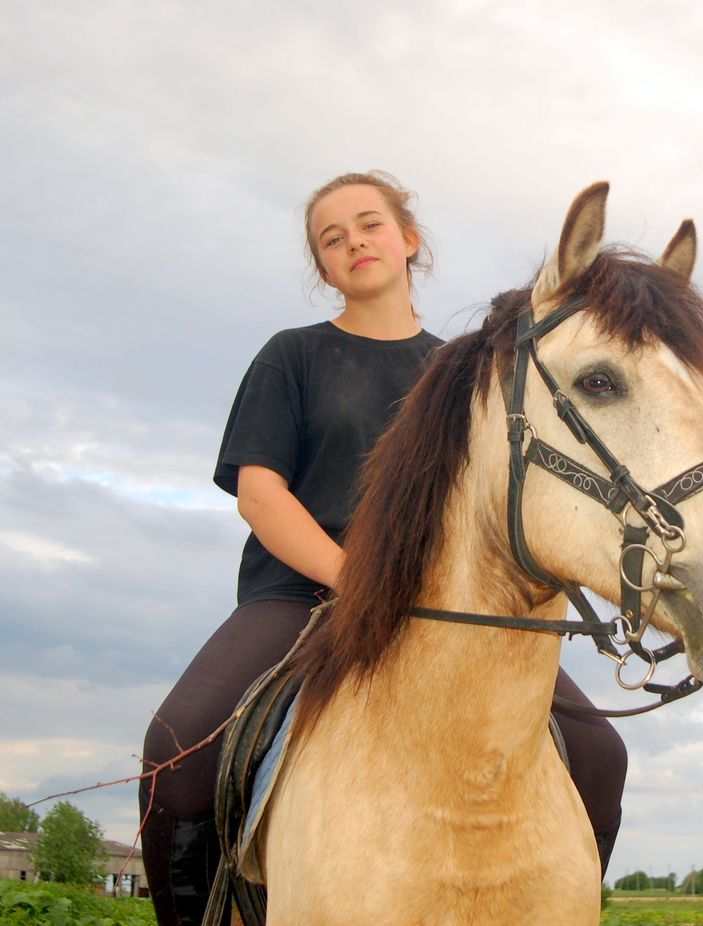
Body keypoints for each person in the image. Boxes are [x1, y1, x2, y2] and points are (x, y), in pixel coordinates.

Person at [139, 171, 627, 926]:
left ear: (408, 240)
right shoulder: (291, 357)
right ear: (324, 268)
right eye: (331, 238)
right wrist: (356, 578)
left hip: (449, 610)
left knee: (600, 756)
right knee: (175, 754)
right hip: (303, 596)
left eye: (369, 224)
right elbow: (260, 496)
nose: (353, 242)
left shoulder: (466, 373)